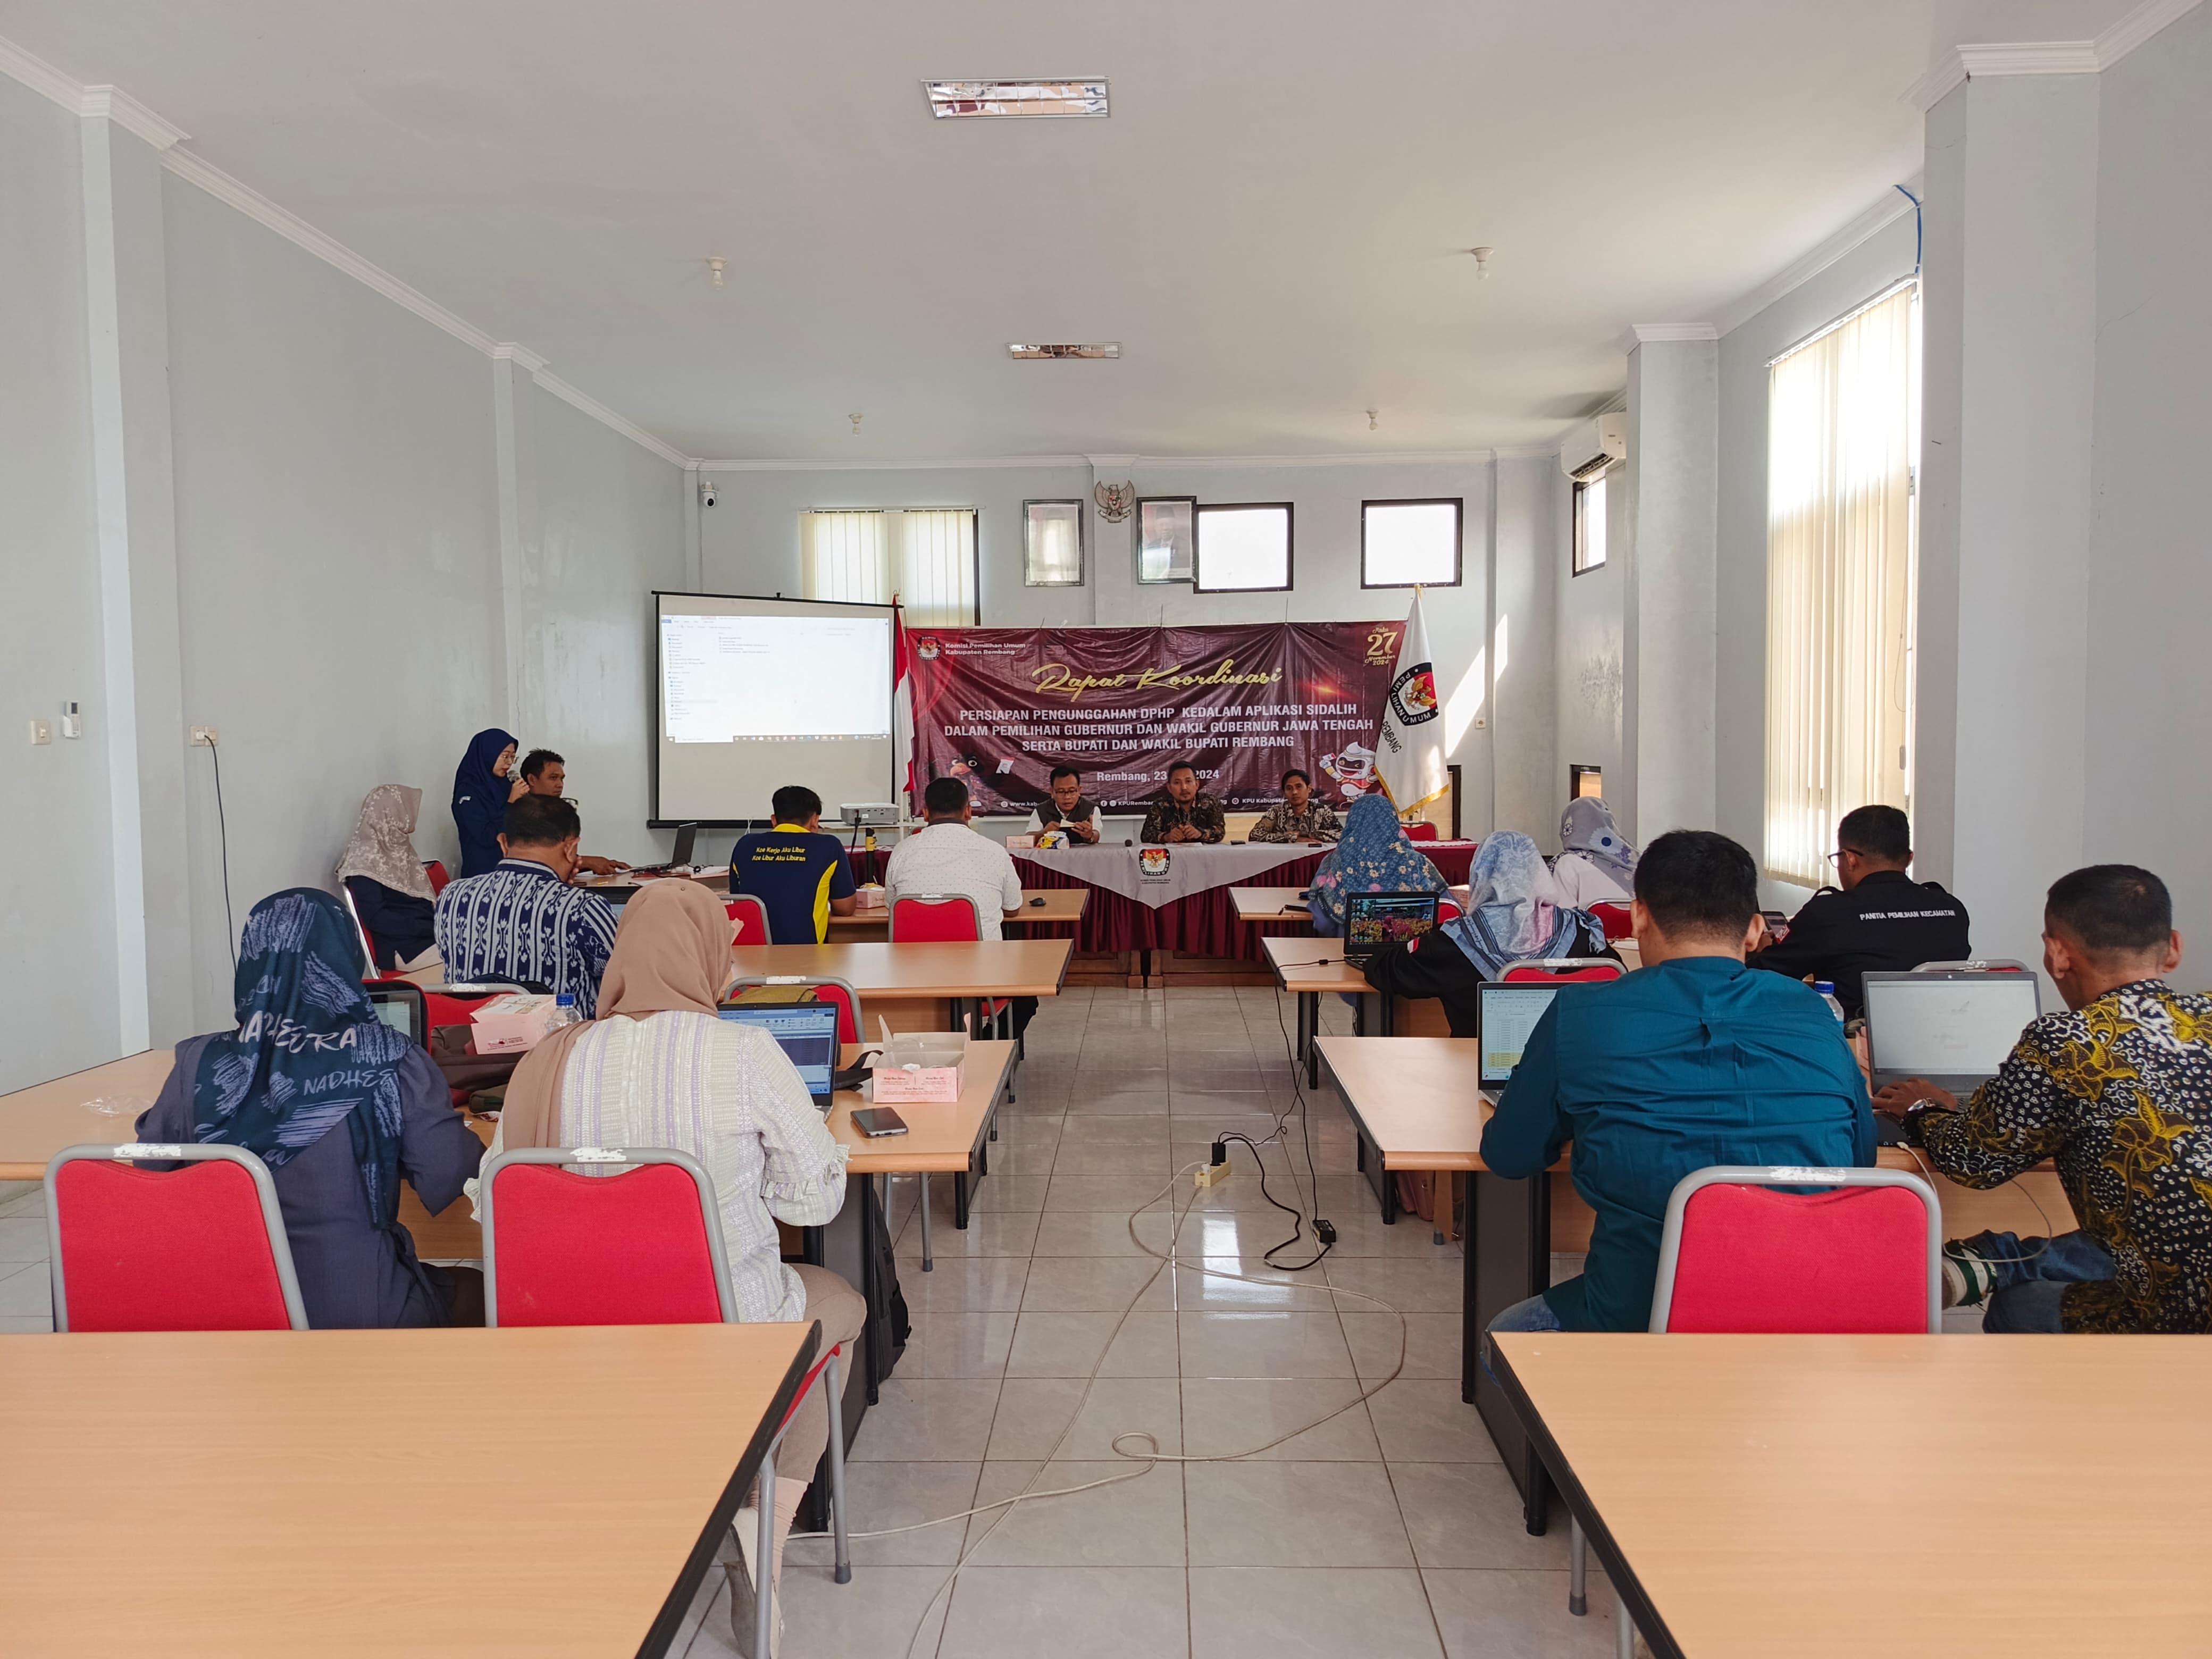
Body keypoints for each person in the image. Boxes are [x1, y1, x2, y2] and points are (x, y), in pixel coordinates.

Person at [490, 879, 859, 1652]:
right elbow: (812, 1207)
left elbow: (493, 1203)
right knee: (840, 1305)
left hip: (569, 1333)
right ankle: (763, 1528)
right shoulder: (746, 1052)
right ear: (710, 956)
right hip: (720, 1331)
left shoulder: (548, 1058)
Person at [1482, 831, 1874, 1339]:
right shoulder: (1814, 1014)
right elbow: (1859, 1163)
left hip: (1640, 1315)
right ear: (1756, 930)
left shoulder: (1583, 1011)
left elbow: (1510, 1157)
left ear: (1640, 914)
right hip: (1805, 1311)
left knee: (1505, 1337)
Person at [1875, 865, 2211, 1334]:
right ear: (2173, 948)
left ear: (2056, 955)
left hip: (2177, 1322)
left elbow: (1974, 1163)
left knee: (2021, 1305)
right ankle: (2002, 1259)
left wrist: (1922, 1109)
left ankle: (2001, 1266)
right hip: (2183, 1270)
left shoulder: (2065, 1042)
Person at [134, 889, 482, 1328]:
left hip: (228, 1309)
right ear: (345, 958)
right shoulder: (387, 1057)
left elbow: (150, 1171)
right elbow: (450, 1172)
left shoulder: (198, 1062)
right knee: (476, 1288)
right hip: (359, 1307)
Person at [1361, 830, 1613, 1034]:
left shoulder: (1455, 941)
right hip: (1569, 1071)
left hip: (1473, 1073)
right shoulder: (1582, 932)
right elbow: (1614, 976)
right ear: (1539, 872)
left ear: (1481, 876)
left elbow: (1384, 972)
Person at [1749, 804, 1970, 1019]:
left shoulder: (1830, 912)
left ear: (1851, 860)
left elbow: (1763, 978)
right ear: (1909, 859)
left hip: (1853, 1044)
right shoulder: (1953, 910)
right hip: (1943, 1039)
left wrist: (1763, 949)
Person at [433, 793, 619, 1014]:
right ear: (570, 848)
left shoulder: (452, 896)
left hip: (470, 1038)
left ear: (503, 842)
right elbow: (623, 976)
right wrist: (566, 896)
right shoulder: (584, 907)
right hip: (557, 1043)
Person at [884, 777, 1034, 1034]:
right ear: (968, 811)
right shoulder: (994, 851)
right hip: (982, 981)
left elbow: (894, 908)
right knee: (1027, 999)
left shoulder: (902, 851)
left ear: (926, 813)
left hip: (913, 979)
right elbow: (1012, 908)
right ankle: (987, 1048)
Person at [1306, 791, 1447, 937]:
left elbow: (1323, 922)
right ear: (1393, 821)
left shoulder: (1335, 860)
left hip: (1346, 952)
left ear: (1352, 822)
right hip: (1409, 952)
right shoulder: (1416, 861)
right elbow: (1446, 907)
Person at [730, 784, 859, 943]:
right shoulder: (829, 846)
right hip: (808, 958)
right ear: (815, 820)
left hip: (752, 957)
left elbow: (739, 903)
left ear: (774, 820)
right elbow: (845, 909)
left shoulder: (745, 845)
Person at [336, 784, 442, 971]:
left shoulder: (397, 847)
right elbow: (376, 917)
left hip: (426, 936)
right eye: (407, 811)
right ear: (393, 813)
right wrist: (427, 927)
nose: (413, 822)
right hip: (403, 947)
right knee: (471, 958)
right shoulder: (364, 859)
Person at [516, 748, 629, 878]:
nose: (560, 785)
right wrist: (588, 862)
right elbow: (538, 860)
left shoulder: (559, 810)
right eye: (553, 778)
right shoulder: (519, 814)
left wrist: (591, 864)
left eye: (562, 779)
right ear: (532, 780)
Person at [451, 728, 524, 879]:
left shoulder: (505, 786)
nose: (510, 762)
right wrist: (510, 803)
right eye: (505, 756)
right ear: (488, 754)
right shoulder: (468, 792)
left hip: (511, 872)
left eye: (513, 757)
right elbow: (485, 836)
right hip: (482, 875)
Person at [1550, 797, 1636, 907]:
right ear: (1610, 825)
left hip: (1593, 924)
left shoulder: (1568, 863)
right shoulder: (1636, 862)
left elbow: (1560, 915)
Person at [1247, 768, 1343, 844]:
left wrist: (1307, 835)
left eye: (1299, 787)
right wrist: (1293, 838)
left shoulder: (1322, 811)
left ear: (1309, 789)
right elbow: (1255, 835)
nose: (1295, 792)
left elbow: (1342, 835)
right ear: (1284, 792)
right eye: (1289, 788)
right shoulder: (1276, 812)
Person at [1139, 762, 1226, 845]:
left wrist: (1200, 834)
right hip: (1172, 856)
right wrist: (1166, 837)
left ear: (1197, 784)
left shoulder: (1211, 802)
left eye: (1188, 781)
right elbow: (1146, 835)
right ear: (1169, 788)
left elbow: (1219, 832)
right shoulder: (1160, 805)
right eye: (1177, 783)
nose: (1184, 788)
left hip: (1203, 857)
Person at [1026, 765, 1101, 844]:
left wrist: (1090, 836)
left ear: (1079, 791)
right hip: (1050, 856)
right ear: (1052, 792)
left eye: (1072, 791)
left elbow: (1097, 835)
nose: (1067, 797)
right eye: (1061, 792)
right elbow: (1028, 838)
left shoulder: (1091, 809)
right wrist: (1044, 833)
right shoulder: (1041, 810)